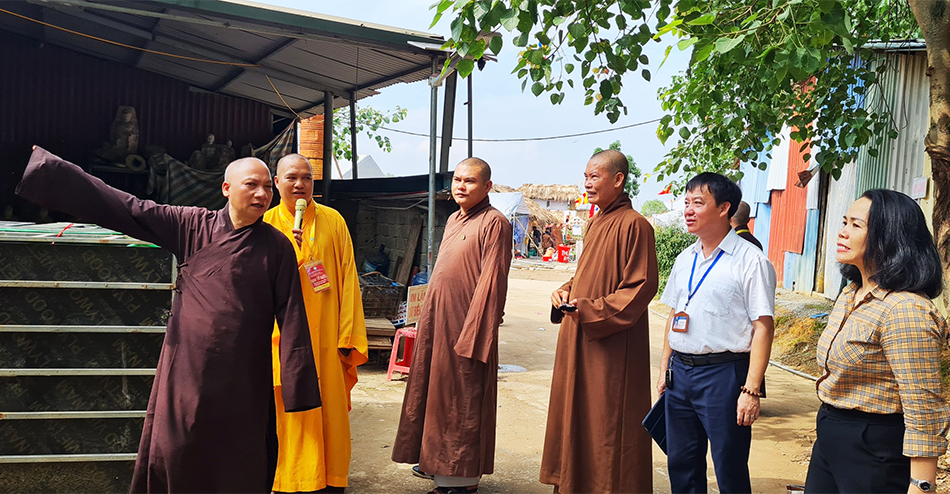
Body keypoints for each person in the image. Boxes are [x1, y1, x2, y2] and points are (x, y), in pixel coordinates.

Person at [15, 147, 320, 493]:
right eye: (251, 185)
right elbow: (128, 208)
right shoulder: (191, 225)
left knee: (239, 459)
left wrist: (297, 384)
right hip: (188, 372)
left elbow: (292, 315)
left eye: (266, 187)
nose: (261, 194)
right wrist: (50, 172)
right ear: (226, 188)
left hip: (245, 376)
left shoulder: (278, 247)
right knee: (177, 451)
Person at [805, 189, 950, 493]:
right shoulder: (851, 294)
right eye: (844, 222)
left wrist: (921, 485)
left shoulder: (905, 309)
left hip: (874, 449)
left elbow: (923, 407)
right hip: (831, 434)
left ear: (889, 236)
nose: (842, 232)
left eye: (856, 225)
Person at [541, 149, 659, 493]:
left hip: (610, 344)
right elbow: (585, 275)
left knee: (607, 421)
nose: (587, 184)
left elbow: (641, 287)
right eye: (586, 177)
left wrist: (591, 310)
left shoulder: (635, 225)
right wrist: (565, 291)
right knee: (576, 414)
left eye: (595, 177)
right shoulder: (595, 222)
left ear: (618, 179)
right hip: (579, 332)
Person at [391, 157, 512, 494]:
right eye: (458, 179)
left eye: (470, 181)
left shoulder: (495, 223)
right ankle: (437, 468)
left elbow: (492, 282)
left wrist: (475, 335)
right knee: (435, 397)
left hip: (466, 329)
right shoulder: (454, 220)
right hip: (439, 324)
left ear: (487, 186)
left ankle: (461, 482)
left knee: (463, 400)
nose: (461, 186)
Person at [657, 172, 776, 493]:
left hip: (724, 375)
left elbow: (763, 327)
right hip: (680, 374)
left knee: (729, 466)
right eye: (686, 203)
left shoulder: (751, 261)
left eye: (698, 203)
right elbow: (674, 314)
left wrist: (751, 391)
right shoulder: (685, 258)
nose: (688, 210)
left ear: (724, 208)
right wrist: (664, 368)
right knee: (681, 463)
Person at [264, 154, 369, 493]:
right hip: (280, 339)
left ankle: (329, 479)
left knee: (328, 411)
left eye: (307, 178)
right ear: (276, 183)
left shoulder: (333, 220)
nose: (300, 185)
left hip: (326, 338)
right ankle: (287, 479)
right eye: (291, 178)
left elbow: (348, 278)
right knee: (285, 413)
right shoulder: (265, 223)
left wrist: (348, 335)